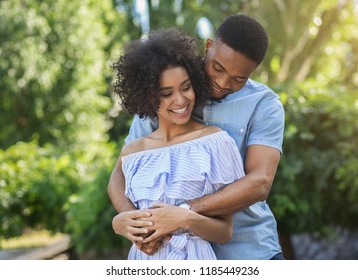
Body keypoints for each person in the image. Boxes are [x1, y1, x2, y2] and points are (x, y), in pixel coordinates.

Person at [108, 14, 285, 260]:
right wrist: (139, 226)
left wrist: (185, 213)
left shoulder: (264, 105)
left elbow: (260, 182)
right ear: (209, 46)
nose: (222, 83)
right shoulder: (162, 89)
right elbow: (120, 174)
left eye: (238, 79)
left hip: (249, 250)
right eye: (218, 68)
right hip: (169, 255)